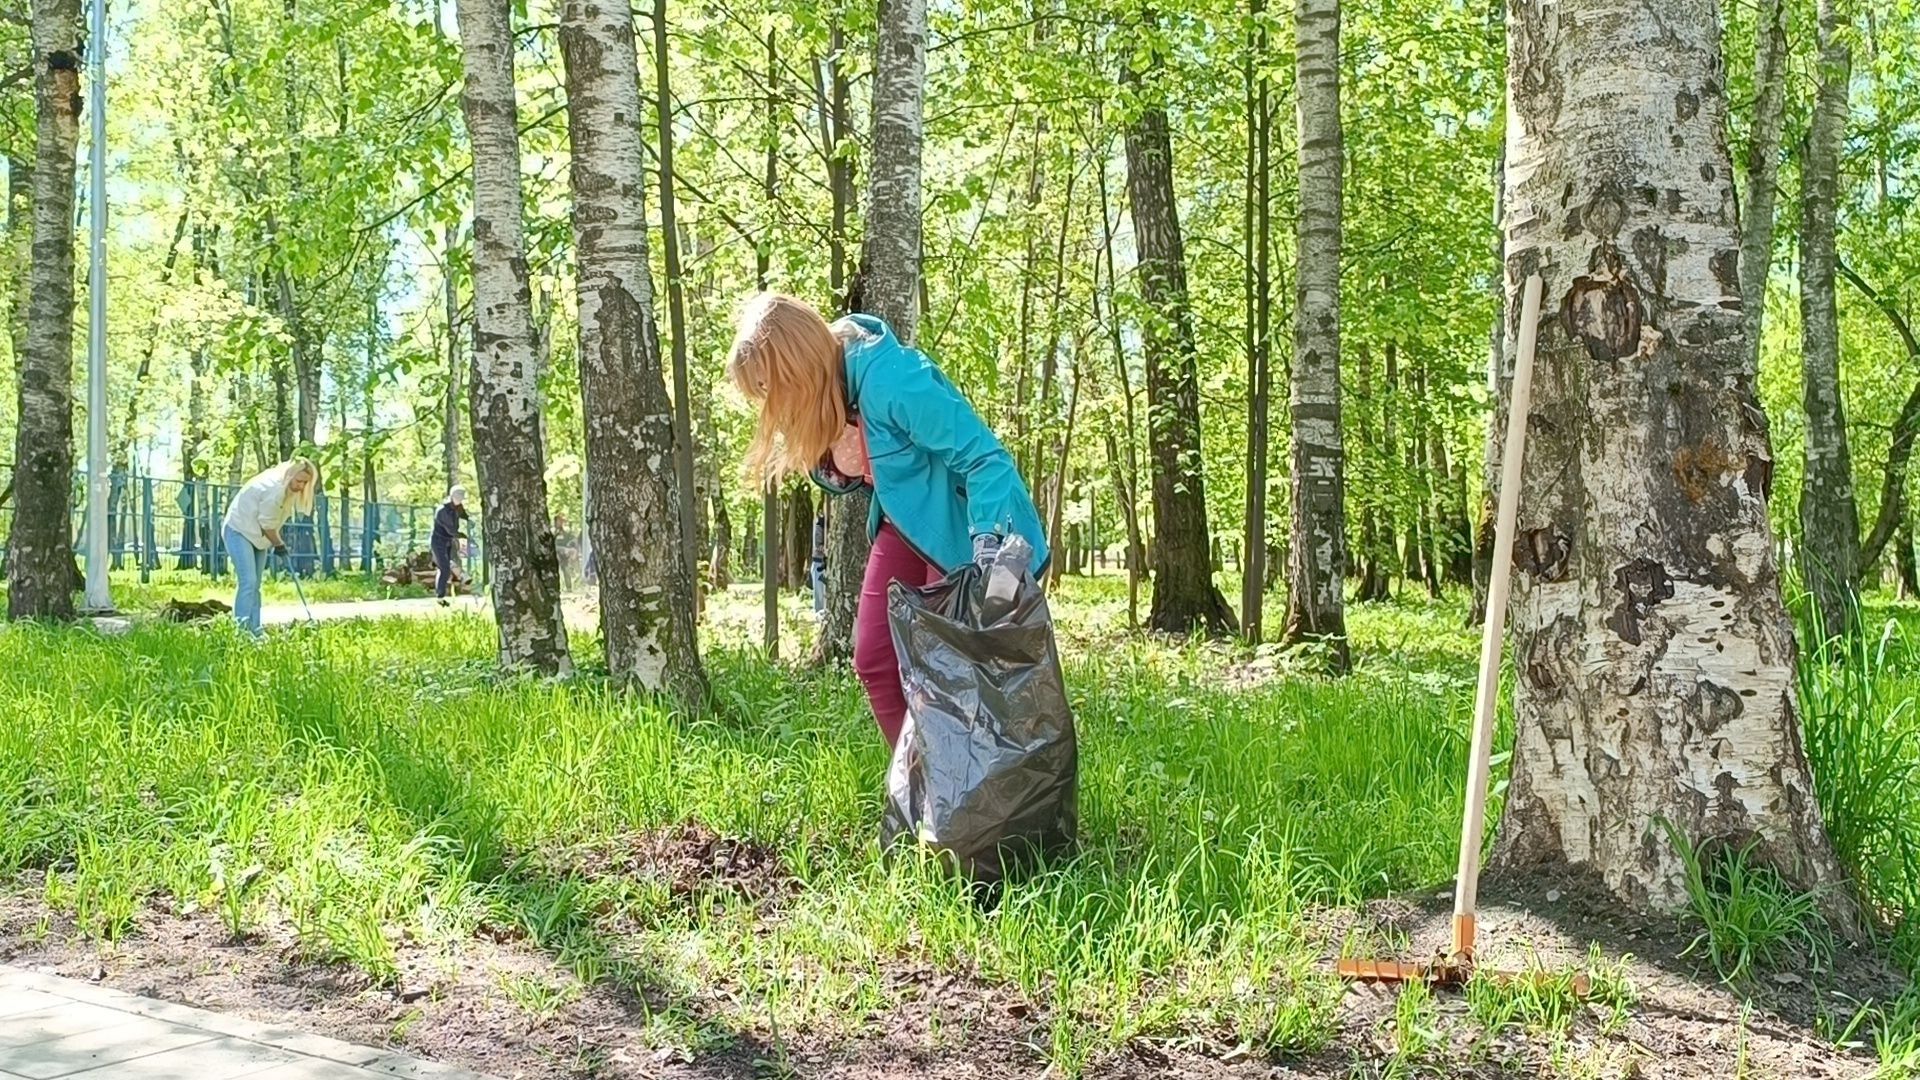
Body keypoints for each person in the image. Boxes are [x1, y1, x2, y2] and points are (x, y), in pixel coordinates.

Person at [727, 293, 1047, 748]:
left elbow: (985, 459)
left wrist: (988, 545)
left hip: (967, 528)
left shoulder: (893, 380)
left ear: (795, 364)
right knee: (874, 658)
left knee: (950, 669)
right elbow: (874, 472)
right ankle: (925, 789)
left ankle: (977, 804)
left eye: (770, 386)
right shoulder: (837, 391)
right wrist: (841, 466)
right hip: (905, 526)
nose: (771, 404)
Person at [222, 458, 318, 636]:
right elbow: (266, 524)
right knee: (248, 581)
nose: (301, 486)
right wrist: (279, 544)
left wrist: (276, 542)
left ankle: (256, 630)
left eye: (305, 483)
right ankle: (240, 632)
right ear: (290, 475)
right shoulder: (274, 489)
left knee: (256, 585)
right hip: (239, 530)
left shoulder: (287, 490)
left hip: (258, 537)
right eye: (299, 481)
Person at [432, 487, 470, 604]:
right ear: (452, 496)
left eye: (462, 498)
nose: (460, 500)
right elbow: (450, 529)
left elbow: (465, 516)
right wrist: (461, 535)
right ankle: (440, 597)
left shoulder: (457, 507)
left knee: (449, 565)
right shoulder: (442, 511)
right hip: (439, 541)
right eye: (458, 497)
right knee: (444, 568)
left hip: (449, 540)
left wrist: (471, 522)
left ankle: (462, 576)